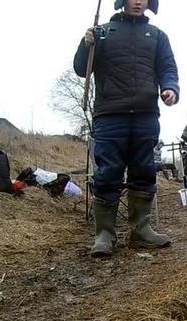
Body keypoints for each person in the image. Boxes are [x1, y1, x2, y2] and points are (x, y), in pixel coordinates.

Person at [74, 0, 179, 257]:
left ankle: (141, 231)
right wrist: (85, 44)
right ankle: (104, 235)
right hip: (110, 115)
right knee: (108, 172)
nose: (138, 1)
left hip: (145, 115)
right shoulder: (102, 32)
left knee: (144, 171)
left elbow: (168, 70)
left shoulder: (157, 36)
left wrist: (170, 89)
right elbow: (80, 68)